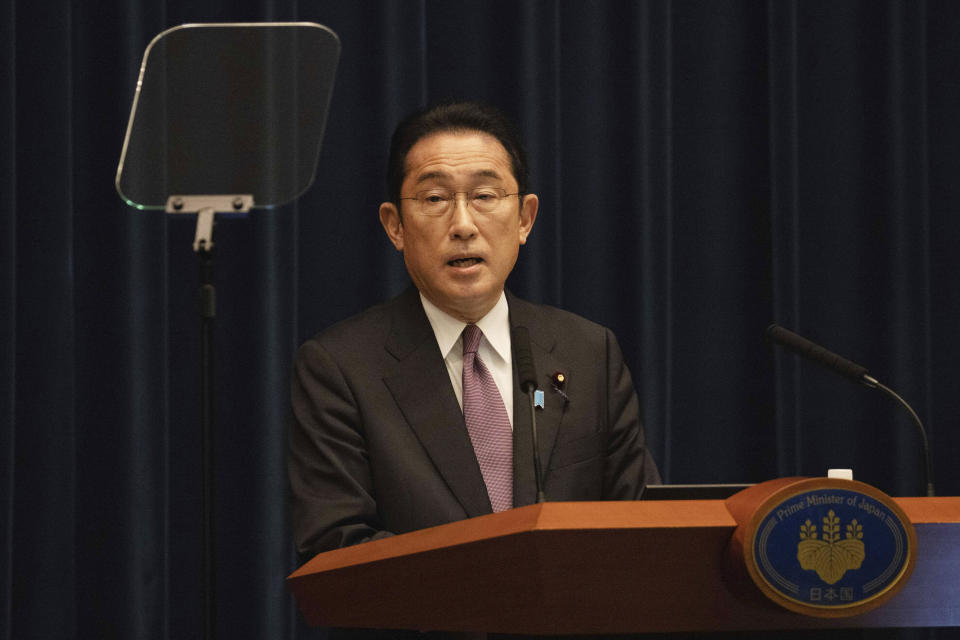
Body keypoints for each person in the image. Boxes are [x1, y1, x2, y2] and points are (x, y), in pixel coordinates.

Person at [289, 101, 660, 562]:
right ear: (395, 226)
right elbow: (338, 547)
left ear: (524, 218)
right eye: (435, 199)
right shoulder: (340, 368)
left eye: (485, 196)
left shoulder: (588, 352)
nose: (463, 225)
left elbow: (641, 526)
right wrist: (502, 592)